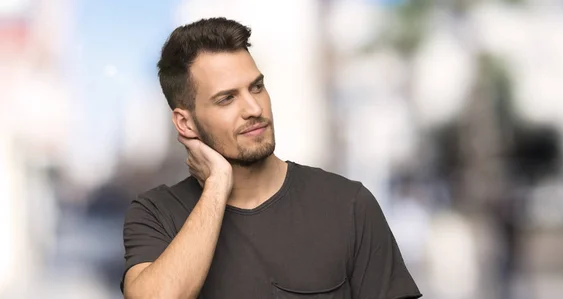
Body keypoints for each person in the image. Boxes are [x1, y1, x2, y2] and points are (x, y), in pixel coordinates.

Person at [121, 17, 422, 299]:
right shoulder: (155, 214)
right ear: (186, 123)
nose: (254, 108)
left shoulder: (349, 204)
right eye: (226, 99)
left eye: (257, 87)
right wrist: (216, 185)